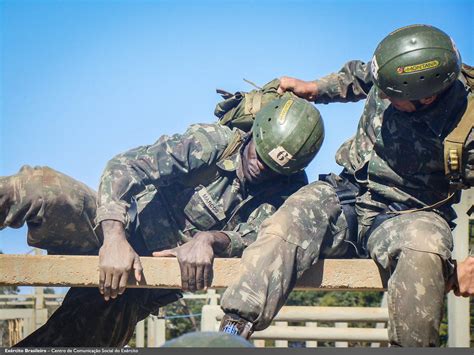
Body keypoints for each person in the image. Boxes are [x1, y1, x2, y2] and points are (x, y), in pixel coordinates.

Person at [219, 24, 474, 346]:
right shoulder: (395, 71)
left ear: (427, 97)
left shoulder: (469, 125)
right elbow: (360, 76)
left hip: (411, 212)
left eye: (391, 96)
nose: (380, 95)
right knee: (290, 219)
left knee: (424, 248)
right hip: (348, 193)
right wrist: (314, 88)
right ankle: (232, 334)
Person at [0, 96, 324, 347]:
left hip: (139, 283)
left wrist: (211, 239)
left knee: (71, 342)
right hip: (117, 228)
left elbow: (260, 242)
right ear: (254, 132)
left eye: (273, 168)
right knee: (41, 188)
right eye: (257, 156)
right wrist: (114, 237)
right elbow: (126, 167)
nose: (259, 169)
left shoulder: (289, 195)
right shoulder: (213, 143)